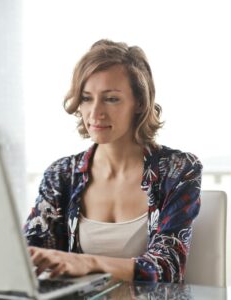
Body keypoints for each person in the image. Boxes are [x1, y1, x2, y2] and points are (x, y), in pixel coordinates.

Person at [23, 39, 202, 283]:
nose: (95, 112)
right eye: (86, 98)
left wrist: (88, 262)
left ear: (139, 103)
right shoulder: (62, 174)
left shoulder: (178, 170)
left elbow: (167, 267)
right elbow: (29, 257)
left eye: (111, 99)